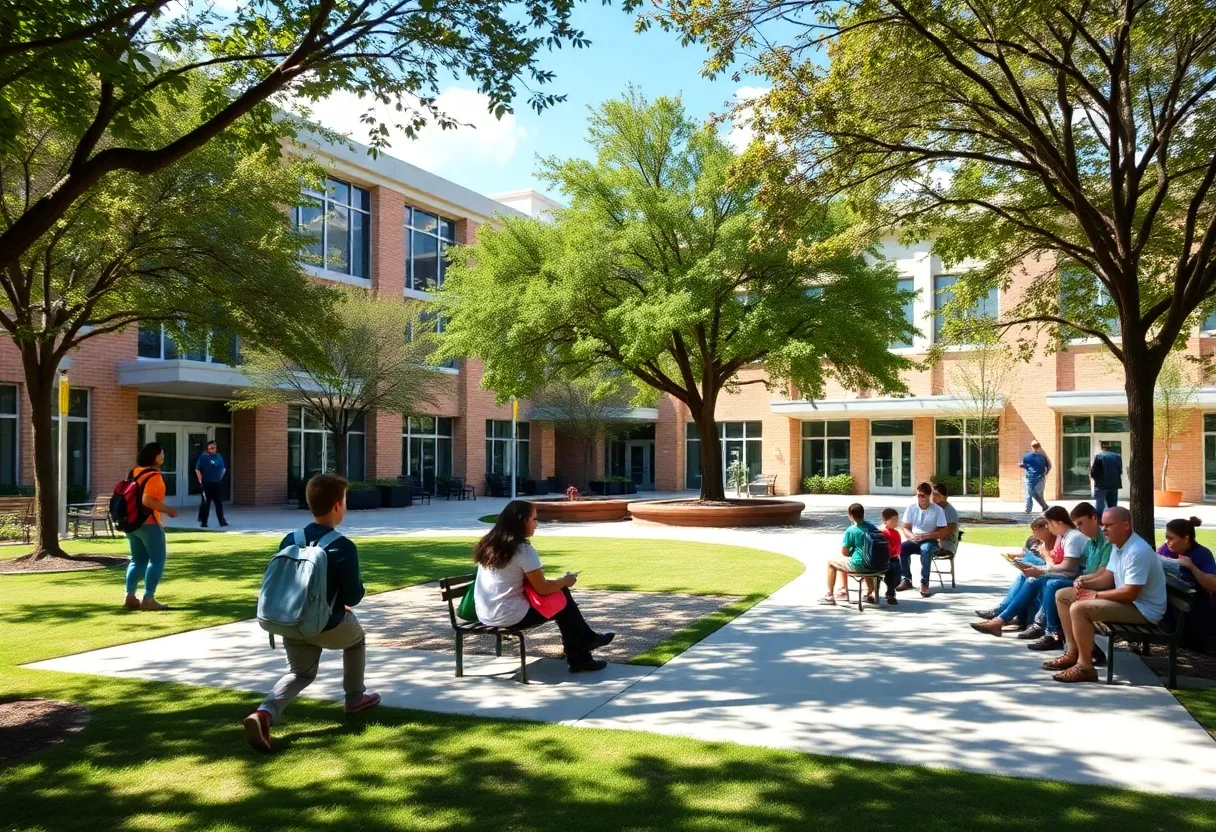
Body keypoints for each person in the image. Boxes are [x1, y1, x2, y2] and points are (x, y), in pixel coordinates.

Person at [242, 474, 381, 753]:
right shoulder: (343, 546)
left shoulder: (289, 539)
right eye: (345, 501)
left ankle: (264, 713)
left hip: (289, 621)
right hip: (326, 625)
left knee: (301, 673)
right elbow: (353, 596)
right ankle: (355, 697)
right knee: (357, 640)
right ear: (336, 506)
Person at [472, 500, 614, 673]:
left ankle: (583, 647)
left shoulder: (489, 545)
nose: (536, 525)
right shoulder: (523, 550)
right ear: (522, 520)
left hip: (486, 613)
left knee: (562, 600)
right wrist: (565, 580)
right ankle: (581, 652)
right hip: (510, 615)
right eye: (534, 519)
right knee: (563, 602)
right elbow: (543, 588)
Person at [1044, 506, 1167, 683]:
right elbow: (1108, 578)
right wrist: (1086, 583)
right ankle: (1072, 652)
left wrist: (1094, 596)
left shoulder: (1137, 551)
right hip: (1129, 603)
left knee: (1079, 608)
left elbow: (1129, 594)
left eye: (1109, 525)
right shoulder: (1118, 546)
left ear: (1125, 525)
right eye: (1103, 525)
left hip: (1143, 610)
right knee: (1063, 595)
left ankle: (1085, 667)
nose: (1104, 529)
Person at [971, 506, 1085, 637]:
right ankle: (1002, 619)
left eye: (1049, 524)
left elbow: (1069, 567)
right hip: (1066, 574)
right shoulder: (1064, 537)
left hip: (1074, 577)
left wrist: (1042, 569)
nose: (1048, 528)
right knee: (1030, 577)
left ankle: (1007, 620)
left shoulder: (1073, 537)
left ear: (1058, 522)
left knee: (1041, 581)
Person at [1026, 502, 1111, 658]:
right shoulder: (1091, 541)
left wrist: (1083, 580)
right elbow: (1088, 570)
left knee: (1054, 586)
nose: (1079, 528)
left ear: (1094, 518)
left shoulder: (1103, 542)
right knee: (1045, 582)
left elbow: (1096, 573)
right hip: (1086, 582)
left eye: (1081, 523)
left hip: (1099, 588)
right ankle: (1070, 646)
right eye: (1077, 524)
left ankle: (1057, 636)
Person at [123, 442, 178, 612]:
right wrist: (168, 510)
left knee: (137, 559)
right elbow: (147, 500)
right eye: (162, 453)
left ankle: (130, 596)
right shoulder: (154, 476)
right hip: (149, 523)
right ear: (155, 456)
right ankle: (149, 598)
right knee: (157, 560)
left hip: (132, 524)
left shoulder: (134, 472)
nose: (164, 456)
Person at [973, 515, 1054, 621]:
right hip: (1042, 569)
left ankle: (1001, 614)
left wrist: (1039, 558)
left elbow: (1050, 563)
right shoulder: (1036, 541)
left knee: (1029, 578)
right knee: (1024, 575)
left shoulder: (1053, 542)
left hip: (1049, 572)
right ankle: (1002, 612)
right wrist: (1018, 556)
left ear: (1046, 529)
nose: (1034, 534)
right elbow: (1029, 554)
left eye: (1037, 531)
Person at [1157, 516, 1216, 650]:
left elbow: (1213, 585)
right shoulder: (1166, 549)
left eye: (1171, 538)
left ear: (1186, 538)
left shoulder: (1202, 554)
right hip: (1173, 605)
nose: (1167, 542)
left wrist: (1192, 567)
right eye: (1166, 537)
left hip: (1200, 609)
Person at [819, 503, 879, 606]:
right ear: (863, 514)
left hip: (859, 564)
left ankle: (830, 595)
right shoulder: (872, 527)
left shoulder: (851, 530)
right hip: (875, 563)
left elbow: (844, 551)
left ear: (850, 515)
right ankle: (869, 593)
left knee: (831, 563)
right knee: (865, 561)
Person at [898, 482, 948, 597]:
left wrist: (926, 536)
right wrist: (911, 536)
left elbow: (943, 532)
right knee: (902, 548)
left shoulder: (937, 510)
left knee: (925, 550)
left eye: (923, 496)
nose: (921, 498)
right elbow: (905, 527)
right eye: (919, 495)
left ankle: (924, 583)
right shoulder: (912, 508)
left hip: (930, 539)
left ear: (929, 495)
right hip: (915, 538)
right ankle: (906, 580)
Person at [195, 439, 228, 528]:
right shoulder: (203, 457)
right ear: (207, 449)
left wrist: (219, 478)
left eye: (214, 448)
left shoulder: (218, 457)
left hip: (216, 483)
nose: (213, 449)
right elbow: (197, 469)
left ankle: (222, 521)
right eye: (211, 448)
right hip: (206, 483)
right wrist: (200, 481)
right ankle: (204, 522)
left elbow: (223, 469)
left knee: (218, 503)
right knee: (206, 503)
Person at [1089, 441, 1123, 514]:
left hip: (1101, 485)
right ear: (1110, 447)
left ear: (1102, 447)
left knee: (1100, 507)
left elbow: (1094, 471)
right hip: (1114, 484)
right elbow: (1120, 470)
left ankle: (1100, 522)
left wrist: (1094, 479)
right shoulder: (1117, 456)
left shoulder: (1099, 456)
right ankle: (1112, 522)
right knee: (1113, 507)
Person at [1019, 440, 1051, 514]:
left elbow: (1048, 466)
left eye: (1036, 446)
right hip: (1033, 478)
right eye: (1035, 446)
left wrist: (1044, 474)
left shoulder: (1040, 457)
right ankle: (1030, 509)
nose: (1036, 448)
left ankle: (1040, 507)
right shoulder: (1030, 457)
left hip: (1035, 478)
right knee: (1031, 493)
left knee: (1033, 493)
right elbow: (1048, 466)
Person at [879, 507, 903, 606]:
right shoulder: (882, 532)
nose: (896, 522)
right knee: (890, 575)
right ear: (885, 520)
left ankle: (891, 589)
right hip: (886, 559)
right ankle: (890, 594)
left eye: (897, 519)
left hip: (895, 558)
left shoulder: (896, 532)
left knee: (897, 578)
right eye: (894, 520)